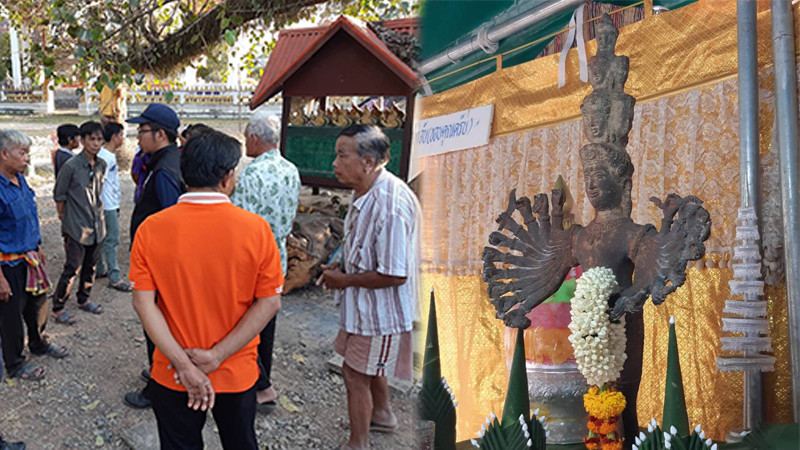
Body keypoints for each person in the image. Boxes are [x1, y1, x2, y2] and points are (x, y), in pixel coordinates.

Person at [130, 130, 283, 449]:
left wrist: (185, 365)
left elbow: (144, 305)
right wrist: (216, 356)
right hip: (235, 370)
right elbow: (269, 303)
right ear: (228, 178)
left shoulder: (151, 229)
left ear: (185, 175)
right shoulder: (256, 230)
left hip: (172, 369)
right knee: (240, 442)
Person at [321, 125, 418, 450]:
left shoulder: (389, 205)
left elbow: (395, 274)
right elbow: (361, 244)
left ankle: (357, 443)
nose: (334, 163)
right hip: (365, 309)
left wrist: (344, 280)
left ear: (367, 162)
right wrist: (341, 267)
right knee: (369, 365)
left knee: (354, 374)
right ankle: (384, 415)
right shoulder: (363, 189)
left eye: (341, 155)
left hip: (380, 313)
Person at [231, 112, 300, 412]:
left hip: (251, 262)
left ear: (256, 139)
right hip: (278, 257)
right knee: (267, 324)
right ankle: (263, 381)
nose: (245, 141)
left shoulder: (251, 174)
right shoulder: (291, 170)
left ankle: (260, 384)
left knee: (246, 324)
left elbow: (238, 225)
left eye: (246, 136)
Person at [124, 103, 184, 409]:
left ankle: (159, 388)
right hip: (157, 263)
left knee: (156, 325)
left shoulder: (164, 170)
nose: (137, 137)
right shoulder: (163, 161)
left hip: (160, 267)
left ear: (160, 134)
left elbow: (173, 224)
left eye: (142, 131)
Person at [0, 130, 68, 382]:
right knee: (10, 316)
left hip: (30, 259)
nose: (27, 158)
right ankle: (15, 362)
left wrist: (37, 245)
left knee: (38, 304)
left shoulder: (21, 181)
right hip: (8, 264)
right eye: (22, 153)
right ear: (4, 154)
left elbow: (29, 216)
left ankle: (39, 343)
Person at [51, 121, 107, 325]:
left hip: (96, 224)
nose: (96, 143)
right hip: (76, 225)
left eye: (99, 139)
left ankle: (84, 299)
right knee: (72, 267)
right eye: (91, 139)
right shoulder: (71, 166)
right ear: (82, 140)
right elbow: (60, 195)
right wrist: (63, 220)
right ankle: (58, 307)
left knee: (90, 266)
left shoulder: (102, 165)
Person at [96, 122, 132, 292]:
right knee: (112, 239)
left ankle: (101, 268)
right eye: (121, 135)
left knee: (105, 238)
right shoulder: (104, 157)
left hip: (111, 202)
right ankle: (114, 276)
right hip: (107, 204)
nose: (122, 139)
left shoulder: (107, 155)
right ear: (114, 136)